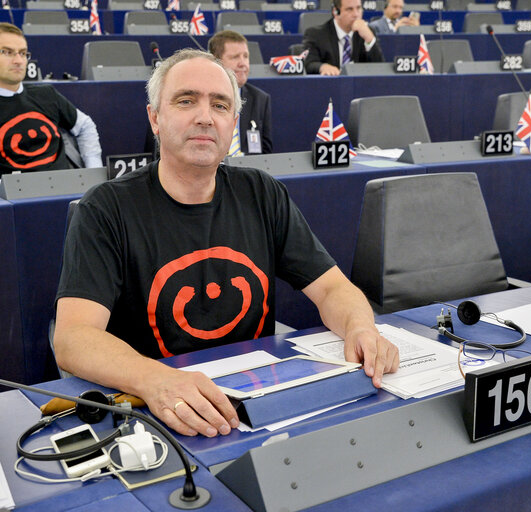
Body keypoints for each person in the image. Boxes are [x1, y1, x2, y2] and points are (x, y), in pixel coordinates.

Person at [53, 49, 399, 438]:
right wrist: (154, 379)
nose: (204, 116)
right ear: (154, 117)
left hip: (255, 403)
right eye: (186, 101)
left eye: (220, 105)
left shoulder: (262, 193)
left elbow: (332, 287)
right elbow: (73, 338)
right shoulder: (105, 209)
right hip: (157, 409)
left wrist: (361, 328)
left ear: (233, 123)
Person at [0, 22, 102, 182]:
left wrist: (93, 174)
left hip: (66, 192)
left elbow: (85, 126)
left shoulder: (47, 94)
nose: (18, 60)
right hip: (15, 200)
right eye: (8, 52)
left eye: (23, 53)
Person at [208, 30, 273, 155]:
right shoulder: (202, 98)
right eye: (235, 57)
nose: (243, 64)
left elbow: (266, 154)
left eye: (246, 56)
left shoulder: (260, 99)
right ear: (216, 61)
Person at [303, 0, 384, 76]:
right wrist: (322, 67)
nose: (356, 14)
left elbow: (380, 69)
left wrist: (370, 40)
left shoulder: (366, 32)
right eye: (349, 9)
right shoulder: (316, 34)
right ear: (336, 12)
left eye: (358, 8)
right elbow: (309, 63)